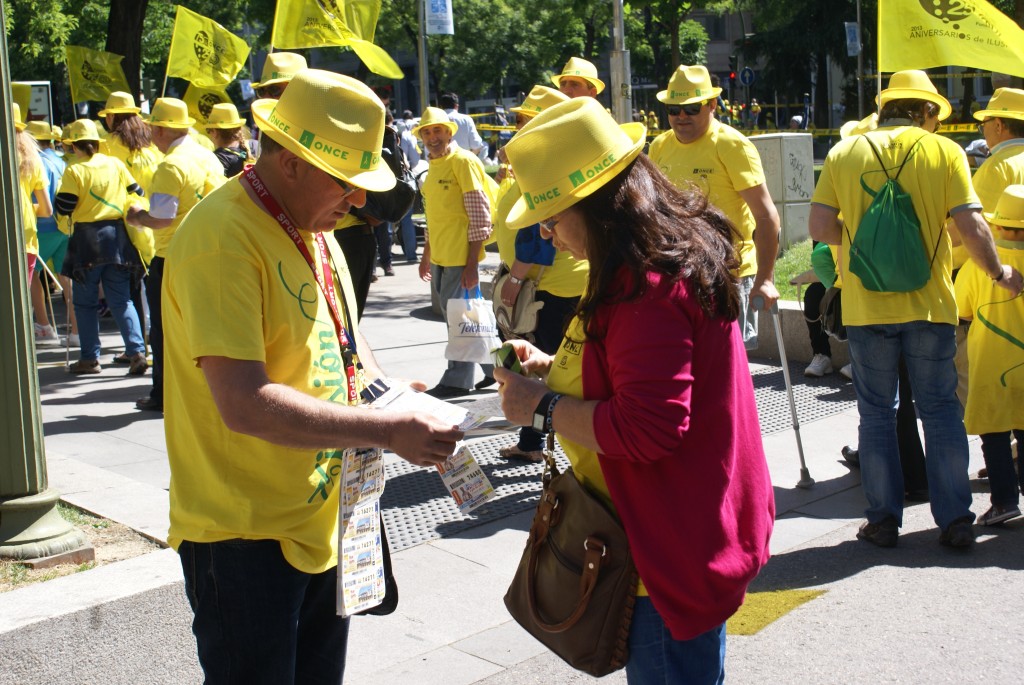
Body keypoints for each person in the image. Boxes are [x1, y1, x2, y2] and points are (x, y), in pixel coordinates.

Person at [162, 69, 463, 684]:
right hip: (245, 534)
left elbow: (345, 341)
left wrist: (390, 397)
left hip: (321, 515)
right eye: (346, 181)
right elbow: (245, 404)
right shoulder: (223, 238)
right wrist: (386, 432)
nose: (357, 200)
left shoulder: (307, 221)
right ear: (292, 161)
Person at [494, 97, 774, 683]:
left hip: (660, 551)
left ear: (596, 206)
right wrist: (552, 366)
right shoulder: (643, 260)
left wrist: (540, 408)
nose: (547, 234)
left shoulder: (645, 283)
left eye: (551, 217)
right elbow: (632, 374)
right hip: (665, 530)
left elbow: (648, 429)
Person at [808, 69, 1024, 549]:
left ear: (885, 107)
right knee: (941, 410)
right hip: (931, 307)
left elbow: (820, 226)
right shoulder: (944, 152)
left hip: (867, 310)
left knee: (878, 414)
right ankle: (956, 522)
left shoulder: (844, 152)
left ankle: (883, 521)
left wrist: (865, 247)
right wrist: (998, 273)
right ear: (926, 111)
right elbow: (972, 226)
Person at [647, 64, 782, 350]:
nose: (682, 116)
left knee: (729, 372)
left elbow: (766, 216)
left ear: (711, 105)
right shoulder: (659, 146)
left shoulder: (732, 145)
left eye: (692, 108)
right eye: (674, 108)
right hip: (678, 274)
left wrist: (765, 279)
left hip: (727, 276)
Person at [492, 85, 588, 462]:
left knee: (552, 364)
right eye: (518, 120)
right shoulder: (533, 161)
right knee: (549, 362)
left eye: (528, 122)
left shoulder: (547, 166)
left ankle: (541, 443)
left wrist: (515, 278)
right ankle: (538, 441)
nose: (520, 128)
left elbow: (539, 234)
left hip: (551, 286)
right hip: (547, 283)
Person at [127, 98, 225, 411]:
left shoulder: (170, 165)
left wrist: (137, 216)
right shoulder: (205, 155)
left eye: (151, 126)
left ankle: (164, 394)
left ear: (159, 129)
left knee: (165, 330)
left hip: (171, 256)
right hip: (207, 251)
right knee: (203, 328)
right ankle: (204, 392)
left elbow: (163, 217)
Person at [53, 119, 148, 375]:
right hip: (117, 237)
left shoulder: (74, 170)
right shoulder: (115, 163)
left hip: (86, 240)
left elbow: (64, 205)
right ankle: (137, 351)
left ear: (74, 146)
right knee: (122, 299)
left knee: (85, 304)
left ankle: (89, 359)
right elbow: (137, 190)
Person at [414, 107, 496, 398]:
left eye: (438, 130)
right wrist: (427, 254)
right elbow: (434, 216)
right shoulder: (434, 165)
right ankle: (499, 372)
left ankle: (457, 380)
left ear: (450, 132)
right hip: (443, 258)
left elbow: (480, 216)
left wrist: (472, 264)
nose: (432, 137)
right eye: (427, 132)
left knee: (459, 322)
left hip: (461, 259)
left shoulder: (463, 161)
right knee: (472, 322)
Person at [955, 184, 1024, 526]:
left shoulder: (978, 266)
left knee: (994, 436)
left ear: (997, 227)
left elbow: (962, 310)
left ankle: (1004, 502)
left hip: (990, 366)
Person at [99, 91, 161, 363]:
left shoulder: (108, 145)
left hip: (124, 220)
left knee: (127, 287)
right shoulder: (151, 143)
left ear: (111, 116)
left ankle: (137, 347)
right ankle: (150, 341)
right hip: (156, 219)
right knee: (152, 284)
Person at [25, 119, 75, 345]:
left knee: (32, 275)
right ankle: (76, 330)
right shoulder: (61, 160)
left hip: (42, 226)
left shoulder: (33, 160)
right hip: (65, 225)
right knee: (67, 278)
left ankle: (45, 326)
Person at [204, 103, 259, 177]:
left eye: (209, 130)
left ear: (214, 132)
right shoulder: (256, 145)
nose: (209, 134)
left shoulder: (217, 159)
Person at [439, 92, 485, 159]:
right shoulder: (466, 119)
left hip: (441, 164)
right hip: (463, 162)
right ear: (456, 106)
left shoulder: (436, 121)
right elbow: (477, 145)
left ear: (440, 107)